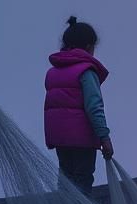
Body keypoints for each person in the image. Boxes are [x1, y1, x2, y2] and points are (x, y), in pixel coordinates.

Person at [43, 17, 114, 193]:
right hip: (81, 139)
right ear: (90, 47)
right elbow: (94, 106)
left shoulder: (53, 72)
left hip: (59, 137)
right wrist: (104, 137)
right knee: (83, 180)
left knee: (66, 179)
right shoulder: (86, 71)